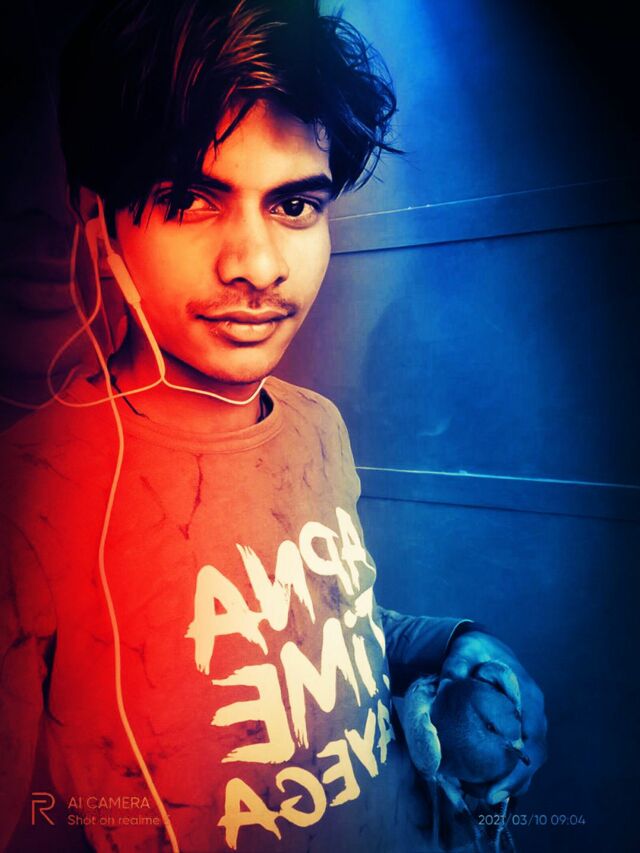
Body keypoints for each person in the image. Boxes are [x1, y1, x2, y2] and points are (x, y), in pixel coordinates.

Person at [0, 1, 546, 851]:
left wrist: (450, 643)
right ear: (97, 217)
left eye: (294, 204)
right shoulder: (29, 495)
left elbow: (326, 628)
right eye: (189, 198)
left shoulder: (317, 426)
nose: (257, 266)